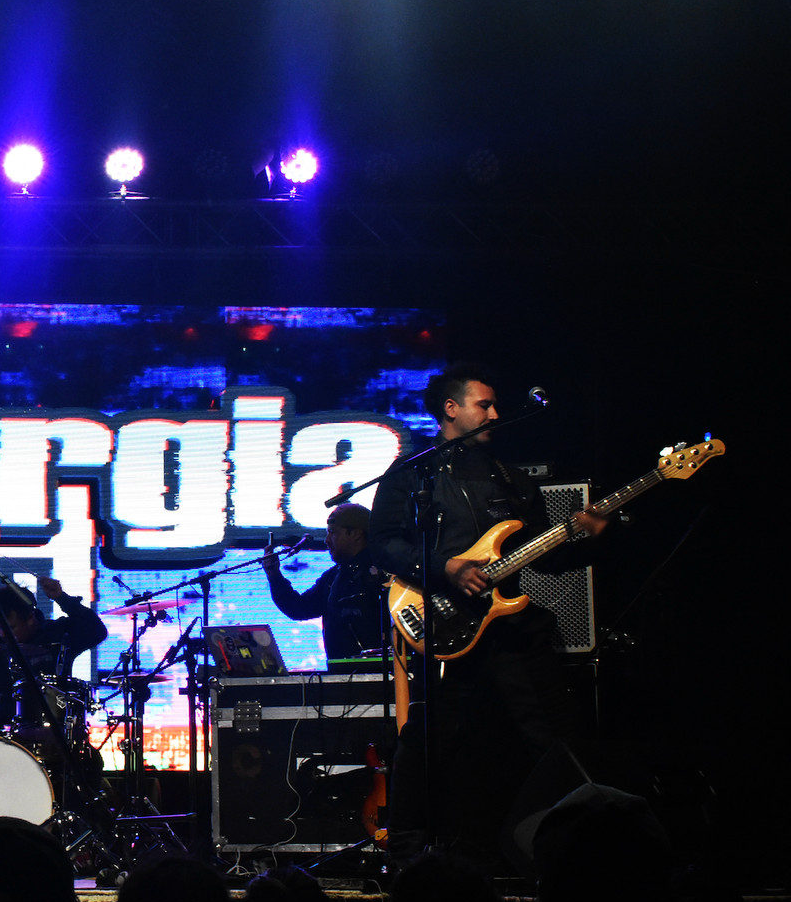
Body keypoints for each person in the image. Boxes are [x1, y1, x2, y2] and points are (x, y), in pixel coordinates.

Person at [368, 363, 608, 860]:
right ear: (451, 409)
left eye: (495, 405)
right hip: (447, 626)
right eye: (485, 405)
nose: (495, 414)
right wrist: (447, 568)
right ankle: (407, 853)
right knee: (430, 740)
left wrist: (583, 538)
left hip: (513, 631)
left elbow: (547, 557)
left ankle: (578, 848)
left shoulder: (510, 479)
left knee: (557, 736)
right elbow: (384, 545)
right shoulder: (412, 474)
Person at [0, 577, 108, 734]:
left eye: (11, 628)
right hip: (4, 722)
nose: (3, 634)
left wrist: (61, 598)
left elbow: (97, 631)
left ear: (30, 618)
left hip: (56, 723)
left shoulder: (58, 634)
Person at [261, 503, 383, 661]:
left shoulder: (384, 573)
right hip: (342, 671)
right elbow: (298, 608)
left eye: (333, 532)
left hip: (378, 671)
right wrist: (274, 575)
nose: (327, 540)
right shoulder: (333, 577)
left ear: (356, 534)